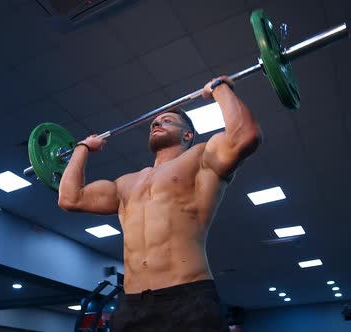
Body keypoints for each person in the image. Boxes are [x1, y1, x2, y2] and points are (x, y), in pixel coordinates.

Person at [58, 76, 262, 332]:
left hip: (187, 299)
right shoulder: (125, 184)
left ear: (188, 134)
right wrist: (82, 148)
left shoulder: (200, 158)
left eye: (167, 120)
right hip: (131, 306)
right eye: (155, 122)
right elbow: (69, 198)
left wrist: (220, 89)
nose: (156, 123)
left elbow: (245, 137)